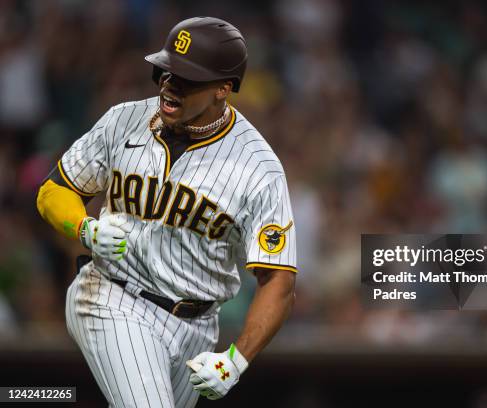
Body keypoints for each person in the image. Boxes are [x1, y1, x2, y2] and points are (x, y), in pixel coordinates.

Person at [36, 16, 297, 407]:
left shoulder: (257, 168)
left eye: (188, 78)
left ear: (224, 88)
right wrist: (85, 229)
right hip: (113, 296)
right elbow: (53, 191)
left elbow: (278, 280)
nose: (170, 84)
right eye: (166, 70)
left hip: (198, 326)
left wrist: (236, 359)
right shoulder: (123, 119)